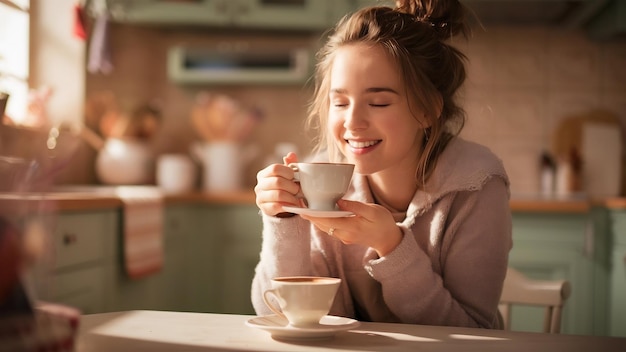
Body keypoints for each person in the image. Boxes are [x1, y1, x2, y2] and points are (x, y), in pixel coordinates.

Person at [251, 0, 512, 329]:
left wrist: (392, 246)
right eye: (340, 102)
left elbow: (471, 333)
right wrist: (283, 220)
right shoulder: (319, 180)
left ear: (428, 110)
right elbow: (276, 315)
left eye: (378, 102)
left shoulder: (476, 185)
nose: (353, 122)